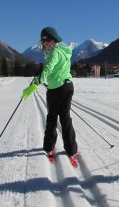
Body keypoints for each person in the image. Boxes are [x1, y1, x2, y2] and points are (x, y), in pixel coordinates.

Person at [21, 26, 78, 165]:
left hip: (57, 89)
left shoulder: (53, 53)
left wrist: (35, 84)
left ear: (55, 39)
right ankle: (71, 149)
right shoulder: (65, 51)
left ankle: (49, 147)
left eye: (48, 39)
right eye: (43, 40)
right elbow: (58, 70)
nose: (46, 42)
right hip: (68, 86)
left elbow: (48, 69)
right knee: (65, 118)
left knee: (52, 117)